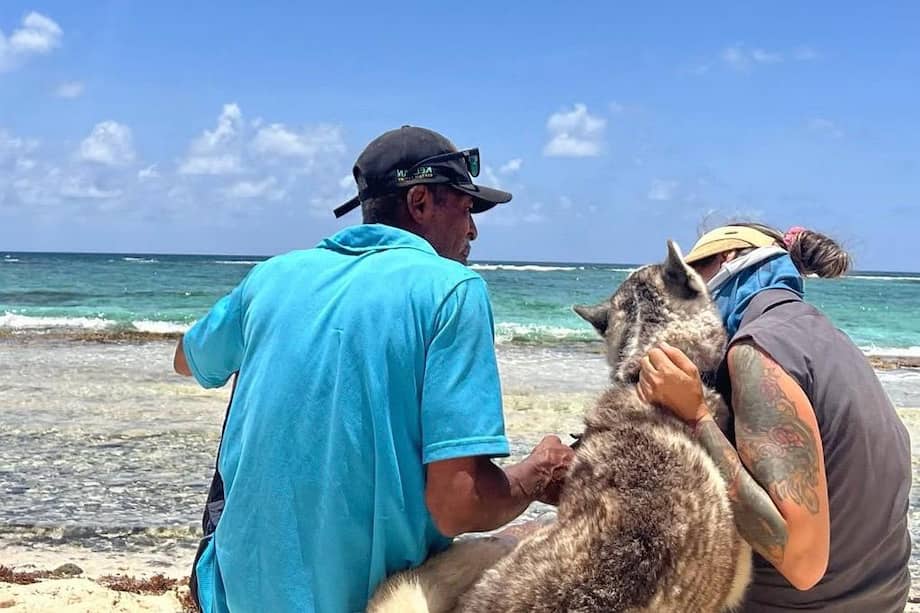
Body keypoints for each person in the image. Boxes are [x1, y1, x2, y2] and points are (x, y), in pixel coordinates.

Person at [173, 125, 574, 613]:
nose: (472, 230)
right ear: (421, 202)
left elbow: (186, 359)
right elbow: (458, 505)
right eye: (466, 208)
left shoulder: (272, 276)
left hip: (229, 597)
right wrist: (536, 474)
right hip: (372, 603)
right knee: (542, 546)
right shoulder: (452, 289)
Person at [637, 223, 911, 612]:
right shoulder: (827, 338)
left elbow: (801, 562)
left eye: (688, 277)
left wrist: (695, 415)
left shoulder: (758, 349)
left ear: (727, 260)